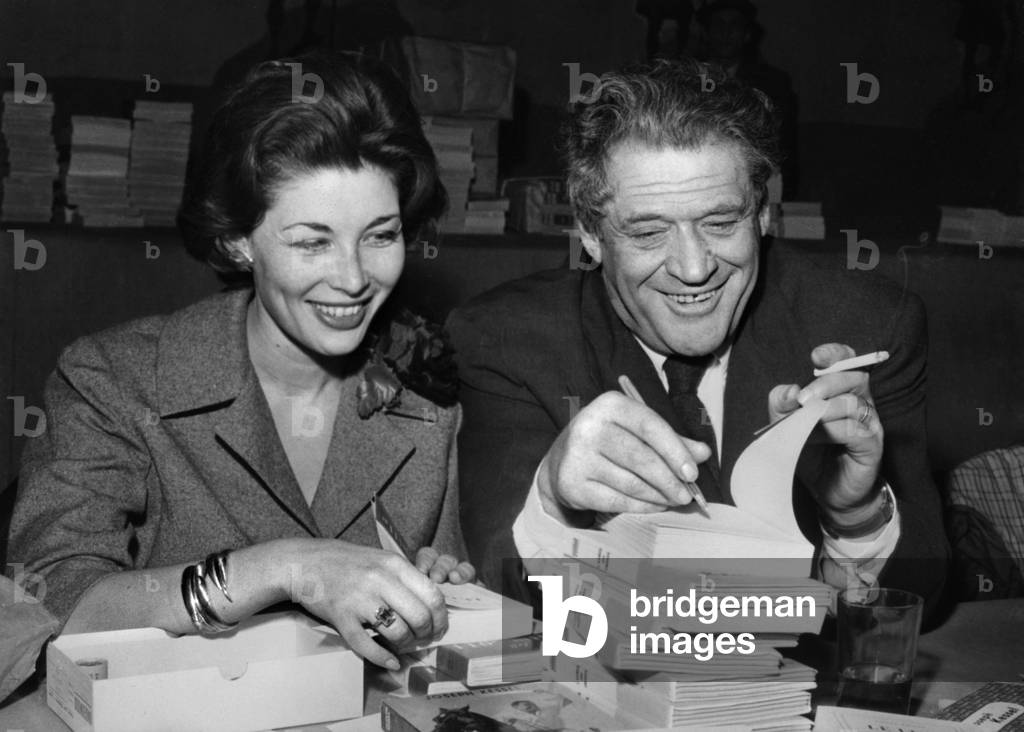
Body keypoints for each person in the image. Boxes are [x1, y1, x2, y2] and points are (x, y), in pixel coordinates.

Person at [9, 50, 474, 670]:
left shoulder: (425, 393)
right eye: (312, 242)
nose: (355, 278)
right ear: (236, 240)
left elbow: (428, 637)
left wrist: (432, 592)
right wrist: (286, 567)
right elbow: (52, 608)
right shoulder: (114, 380)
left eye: (381, 235)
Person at [448, 59, 949, 620]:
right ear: (589, 233)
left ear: (761, 213)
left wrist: (854, 513)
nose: (692, 269)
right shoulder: (506, 339)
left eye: (719, 222)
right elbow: (495, 590)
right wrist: (550, 499)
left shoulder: (867, 323)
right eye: (648, 231)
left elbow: (922, 597)